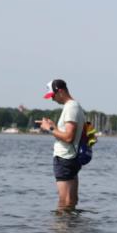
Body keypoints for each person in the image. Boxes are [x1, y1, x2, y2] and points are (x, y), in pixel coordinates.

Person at [37, 79, 85, 211]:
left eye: (53, 96)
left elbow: (69, 137)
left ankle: (61, 230)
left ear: (61, 91)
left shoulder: (70, 107)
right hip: (71, 157)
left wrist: (50, 128)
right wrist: (54, 126)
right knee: (71, 200)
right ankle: (70, 229)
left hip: (65, 158)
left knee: (64, 200)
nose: (52, 99)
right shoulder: (75, 106)